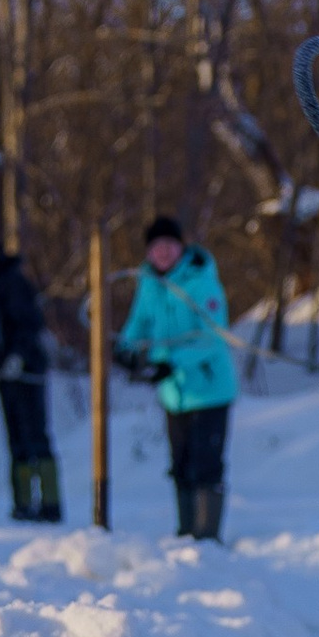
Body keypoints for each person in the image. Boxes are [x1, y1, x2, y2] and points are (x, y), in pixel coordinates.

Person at [116, 217, 238, 540]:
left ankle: (207, 536)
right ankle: (186, 533)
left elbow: (213, 337)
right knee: (181, 465)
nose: (163, 253)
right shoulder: (148, 283)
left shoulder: (201, 282)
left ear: (181, 247)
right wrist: (125, 349)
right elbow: (138, 323)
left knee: (205, 464)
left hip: (209, 390)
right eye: (156, 247)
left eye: (169, 245)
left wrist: (173, 363)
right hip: (173, 394)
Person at [0, 224, 60, 522]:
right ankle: (23, 503)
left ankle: (48, 504)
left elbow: (28, 324)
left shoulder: (11, 281)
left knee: (34, 436)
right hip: (5, 374)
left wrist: (17, 356)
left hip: (26, 371)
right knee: (16, 438)